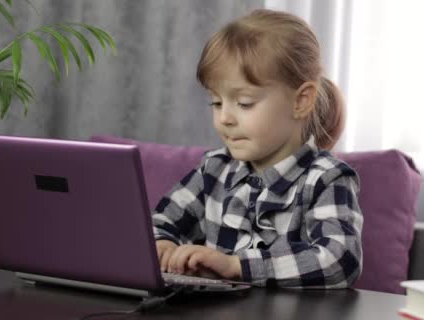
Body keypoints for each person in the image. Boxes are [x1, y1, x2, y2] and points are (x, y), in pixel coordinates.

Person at [153, 9, 363, 288]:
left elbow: (339, 259)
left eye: (244, 103)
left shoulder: (326, 179)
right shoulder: (213, 169)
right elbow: (158, 223)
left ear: (301, 101)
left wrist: (237, 266)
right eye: (216, 103)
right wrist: (162, 245)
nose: (225, 117)